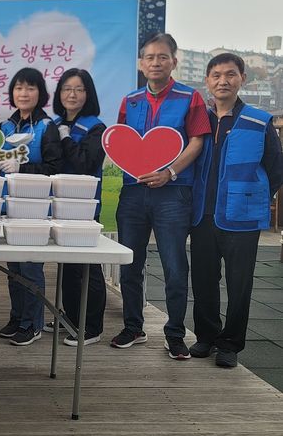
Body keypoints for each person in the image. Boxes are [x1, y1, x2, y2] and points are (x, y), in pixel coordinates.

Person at [110, 33, 211, 360]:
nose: (156, 62)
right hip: (133, 192)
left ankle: (175, 334)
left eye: (163, 57)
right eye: (150, 57)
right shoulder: (130, 100)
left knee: (175, 266)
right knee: (130, 264)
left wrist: (170, 172)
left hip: (173, 193)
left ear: (174, 62)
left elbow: (197, 141)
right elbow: (120, 141)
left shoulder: (190, 97)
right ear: (141, 63)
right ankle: (133, 327)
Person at [190, 53, 283, 368]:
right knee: (203, 279)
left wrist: (254, 196)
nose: (223, 81)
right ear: (207, 80)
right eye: (216, 75)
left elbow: (275, 167)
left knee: (239, 284)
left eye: (230, 74)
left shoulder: (259, 121)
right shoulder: (198, 120)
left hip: (241, 218)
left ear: (242, 78)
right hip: (202, 215)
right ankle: (206, 337)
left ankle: (230, 344)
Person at [0, 67, 62, 346]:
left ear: (40, 93)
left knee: (31, 267)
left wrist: (22, 167)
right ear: (12, 92)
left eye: (30, 88)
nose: (24, 93)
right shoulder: (4, 127)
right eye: (19, 87)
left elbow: (54, 167)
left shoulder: (48, 127)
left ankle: (32, 324)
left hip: (35, 209)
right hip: (9, 207)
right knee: (14, 269)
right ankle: (17, 317)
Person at [48, 68, 107, 346]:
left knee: (87, 267)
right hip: (60, 206)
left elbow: (86, 163)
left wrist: (66, 139)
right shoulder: (55, 123)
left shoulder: (96, 127)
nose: (72, 94)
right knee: (68, 266)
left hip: (83, 208)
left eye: (79, 89)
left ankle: (91, 327)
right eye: (66, 88)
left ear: (88, 94)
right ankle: (71, 318)